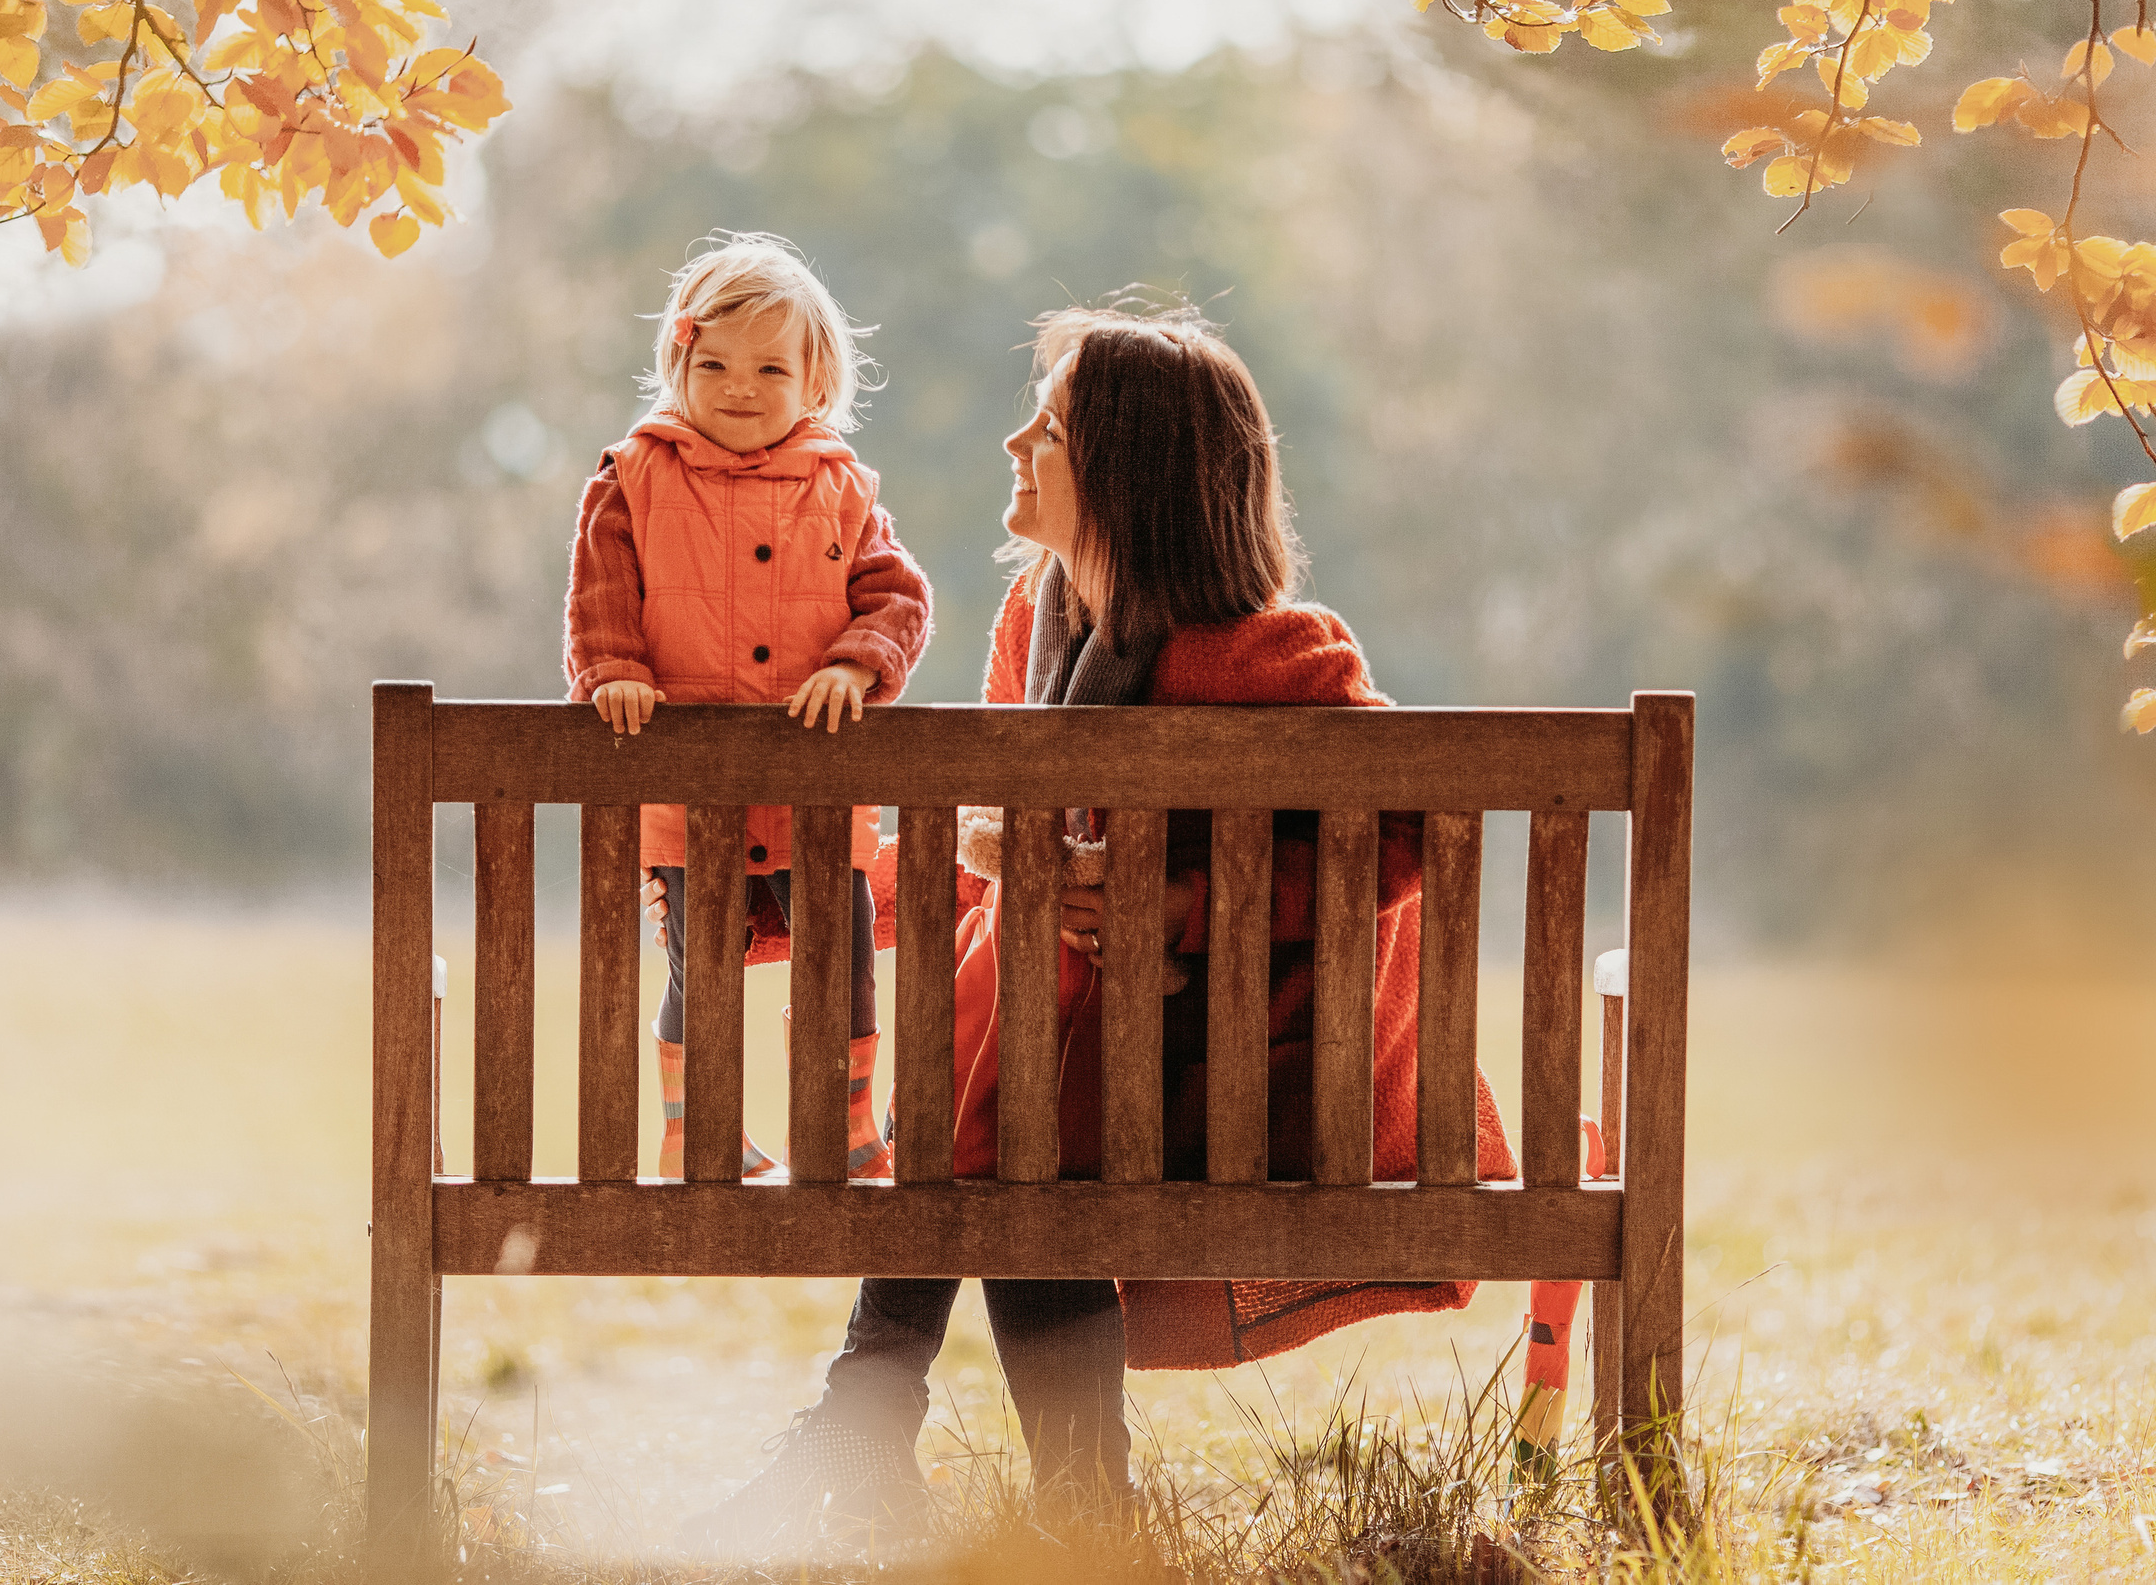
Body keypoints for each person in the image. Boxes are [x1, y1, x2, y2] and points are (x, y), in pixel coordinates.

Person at [681, 301, 1523, 1551]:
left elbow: (1406, 833)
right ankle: (1069, 1492)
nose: (1017, 438)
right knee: (1010, 1080)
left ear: (1128, 472)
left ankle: (882, 1426)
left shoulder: (1270, 652)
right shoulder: (1040, 620)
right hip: (1068, 1067)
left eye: (1053, 425)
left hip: (1211, 1082)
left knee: (1005, 1095)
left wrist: (1185, 905)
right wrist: (920, 867)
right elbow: (996, 842)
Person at [564, 231, 933, 1181]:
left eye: (771, 367)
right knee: (705, 967)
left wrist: (857, 666)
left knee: (840, 960)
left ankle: (843, 1128)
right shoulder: (633, 477)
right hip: (693, 790)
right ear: (678, 362)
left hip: (814, 786)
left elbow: (897, 598)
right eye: (715, 362)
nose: (739, 384)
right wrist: (614, 670)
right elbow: (600, 589)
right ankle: (703, 1131)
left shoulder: (843, 490)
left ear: (816, 384)